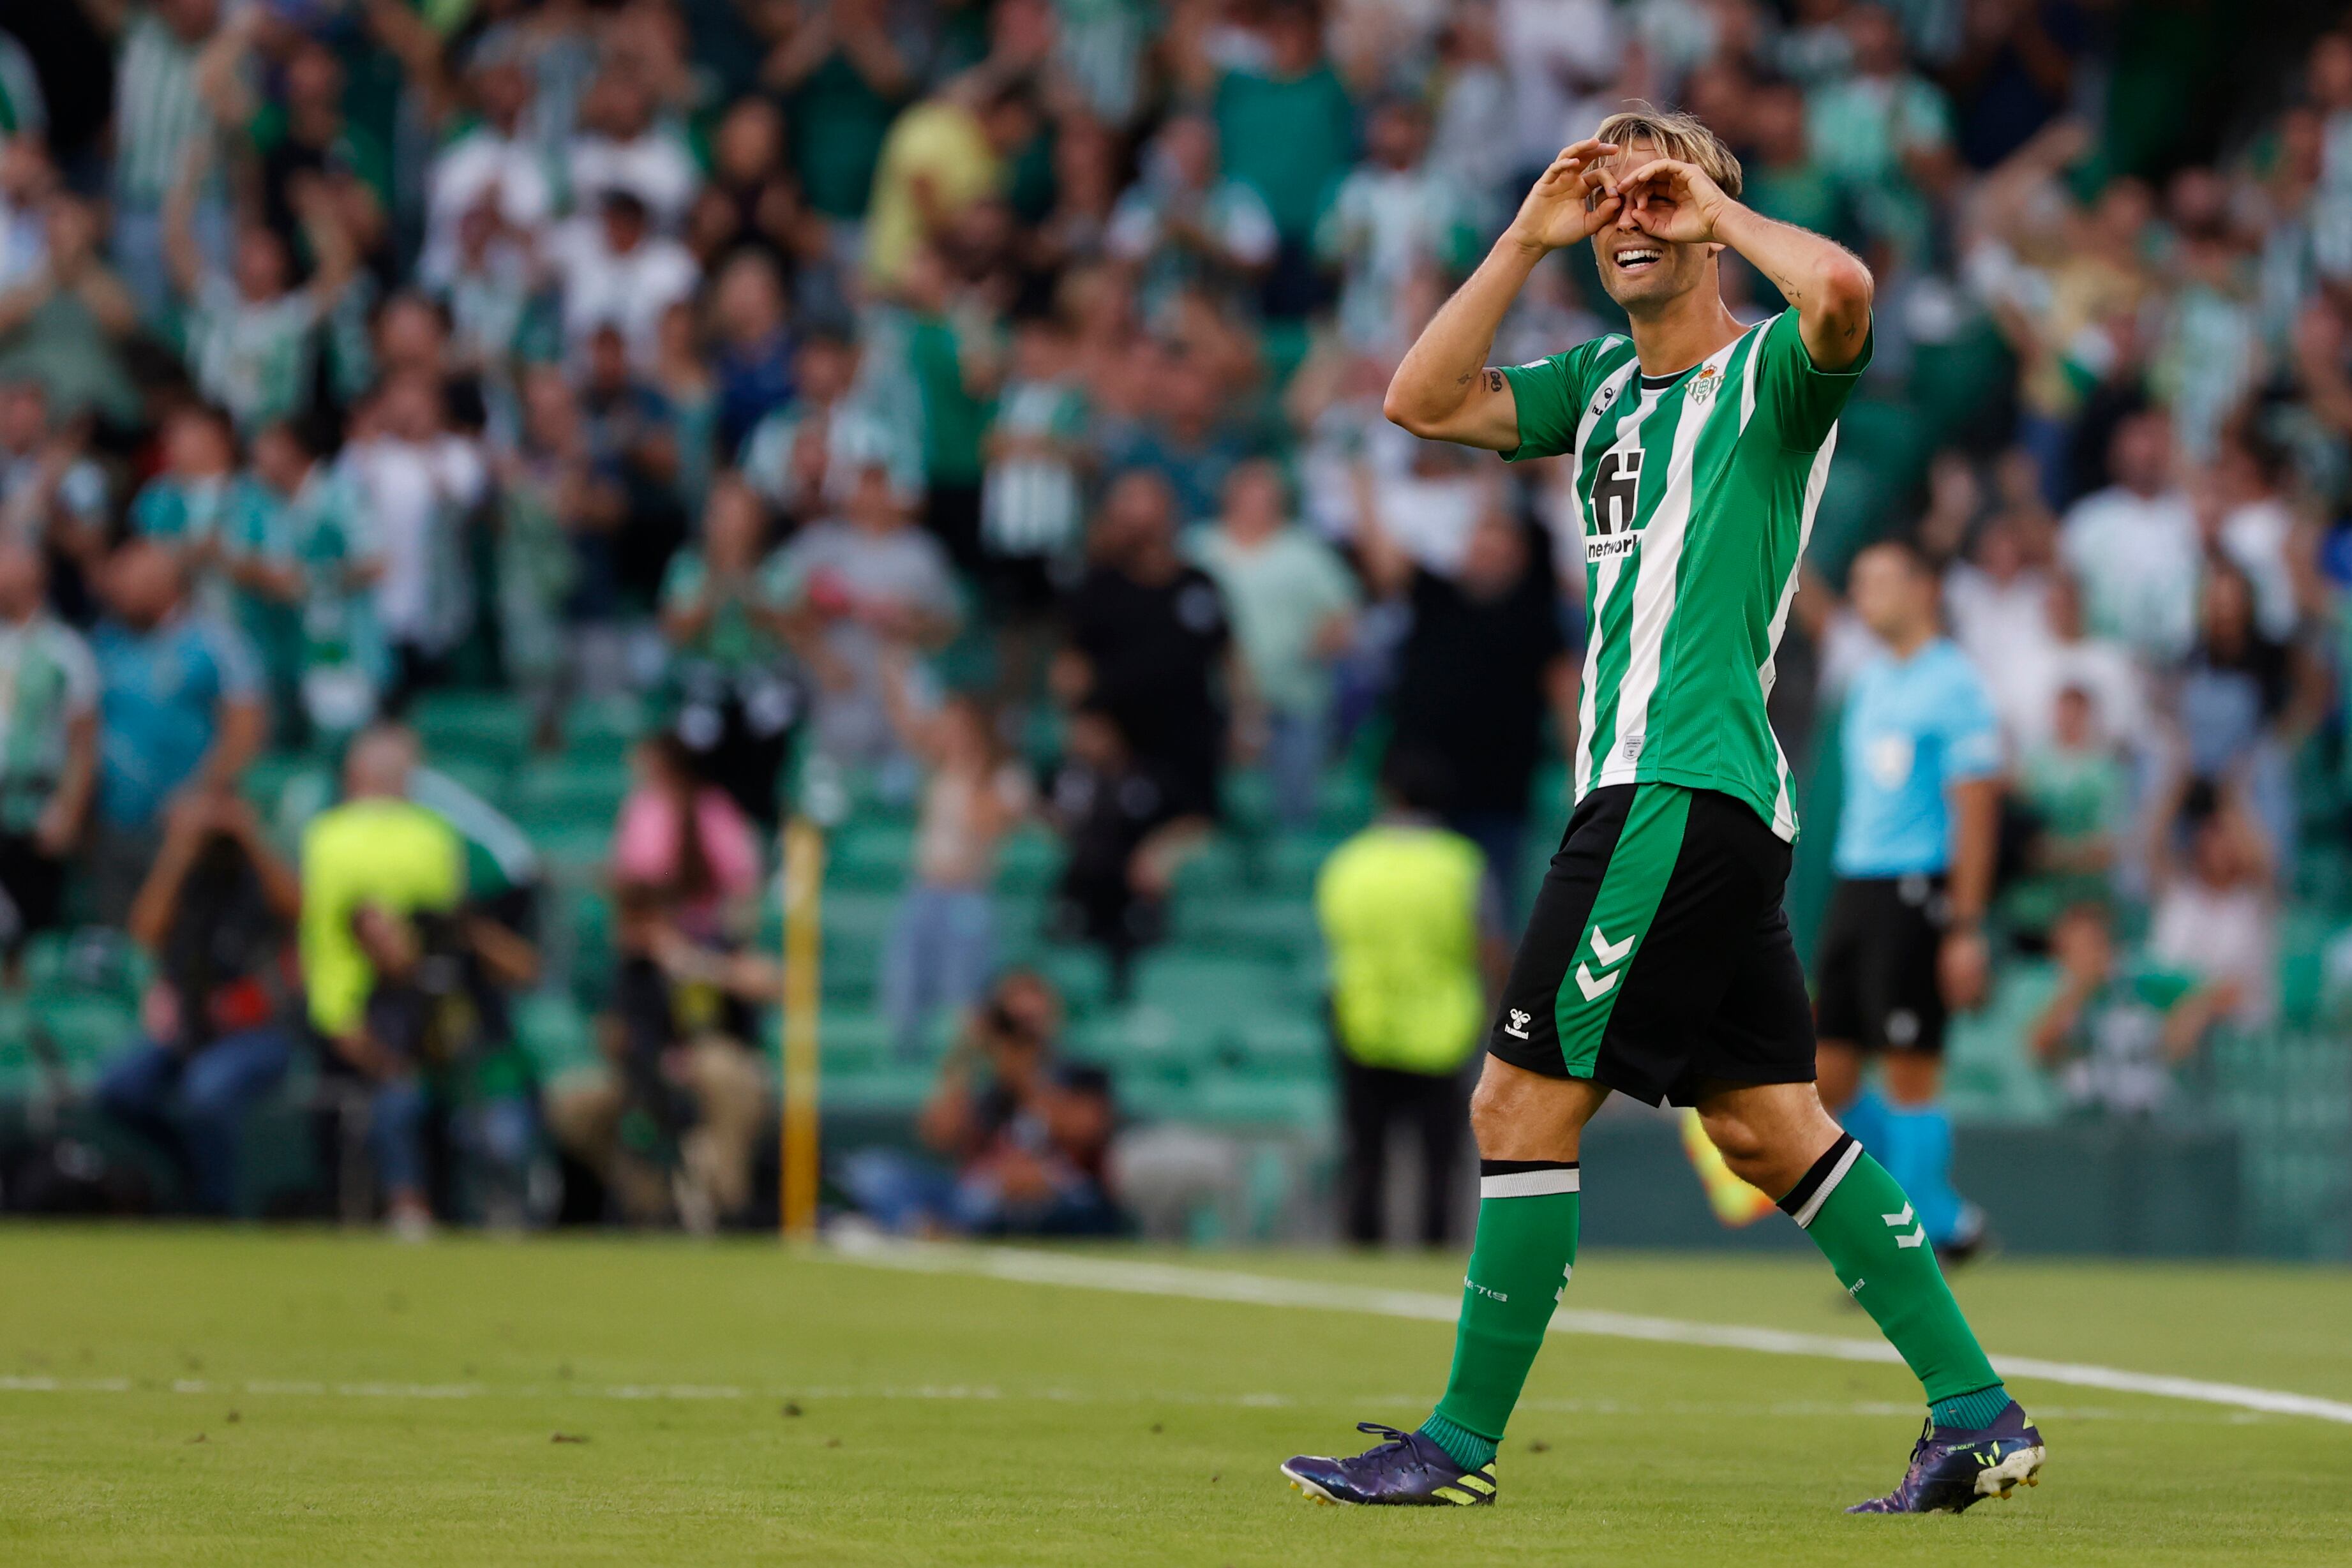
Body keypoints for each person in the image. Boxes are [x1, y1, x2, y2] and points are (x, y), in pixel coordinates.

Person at [1282, 107, 2041, 1514]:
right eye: (1608, 194)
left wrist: (1706, 208)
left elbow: (1844, 294)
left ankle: (1452, 1444)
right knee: (1769, 1128)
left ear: (1701, 212)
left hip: (1670, 791)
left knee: (1516, 1099)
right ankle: (1977, 1415)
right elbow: (1422, 399)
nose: (1627, 216)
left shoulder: (1768, 372)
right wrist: (1529, 227)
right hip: (1688, 804)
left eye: (1653, 192)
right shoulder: (1598, 390)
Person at [1812, 539, 2004, 1263]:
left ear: (1925, 588)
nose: (1864, 593)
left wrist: (1964, 925)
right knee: (1829, 1075)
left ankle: (1921, 1235)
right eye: (1858, 580)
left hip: (1915, 887)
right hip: (1855, 884)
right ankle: (1944, 1216)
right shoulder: (1867, 681)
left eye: (1880, 580)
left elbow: (1976, 809)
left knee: (1909, 1068)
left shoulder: (1954, 682)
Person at [1317, 752, 1501, 1246]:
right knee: (1441, 1161)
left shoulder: (1350, 861)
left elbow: (1335, 938)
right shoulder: (1460, 863)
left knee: (1364, 1155)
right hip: (1442, 1029)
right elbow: (1487, 947)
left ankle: (1360, 1254)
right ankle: (1437, 1257)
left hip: (1363, 1022)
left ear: (1388, 796)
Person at [96, 786, 300, 1216]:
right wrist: (180, 845)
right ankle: (189, 1170)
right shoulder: (186, 875)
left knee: (206, 1089)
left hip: (258, 1031)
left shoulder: (257, 874)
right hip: (192, 1030)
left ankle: (216, 1205)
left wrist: (249, 836)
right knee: (120, 1087)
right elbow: (145, 928)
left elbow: (298, 905)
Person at [839, 969, 1120, 1236]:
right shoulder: (989, 1086)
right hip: (977, 1194)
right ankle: (921, 1230)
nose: (1021, 1031)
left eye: (1029, 1020)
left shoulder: (1082, 1074)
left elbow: (1088, 1130)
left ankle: (923, 1230)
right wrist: (965, 1051)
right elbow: (939, 1136)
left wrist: (1025, 1074)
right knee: (873, 1169)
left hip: (1055, 1196)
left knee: (1002, 1194)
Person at [89, 540, 267, 922]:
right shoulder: (105, 640)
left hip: (180, 835)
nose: (116, 588)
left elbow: (245, 731)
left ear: (166, 583)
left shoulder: (214, 642)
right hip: (114, 826)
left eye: (128, 579)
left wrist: (201, 794)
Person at [0, 543, 97, 968]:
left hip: (33, 809)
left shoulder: (65, 649)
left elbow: (83, 740)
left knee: (32, 934)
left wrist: (69, 811)